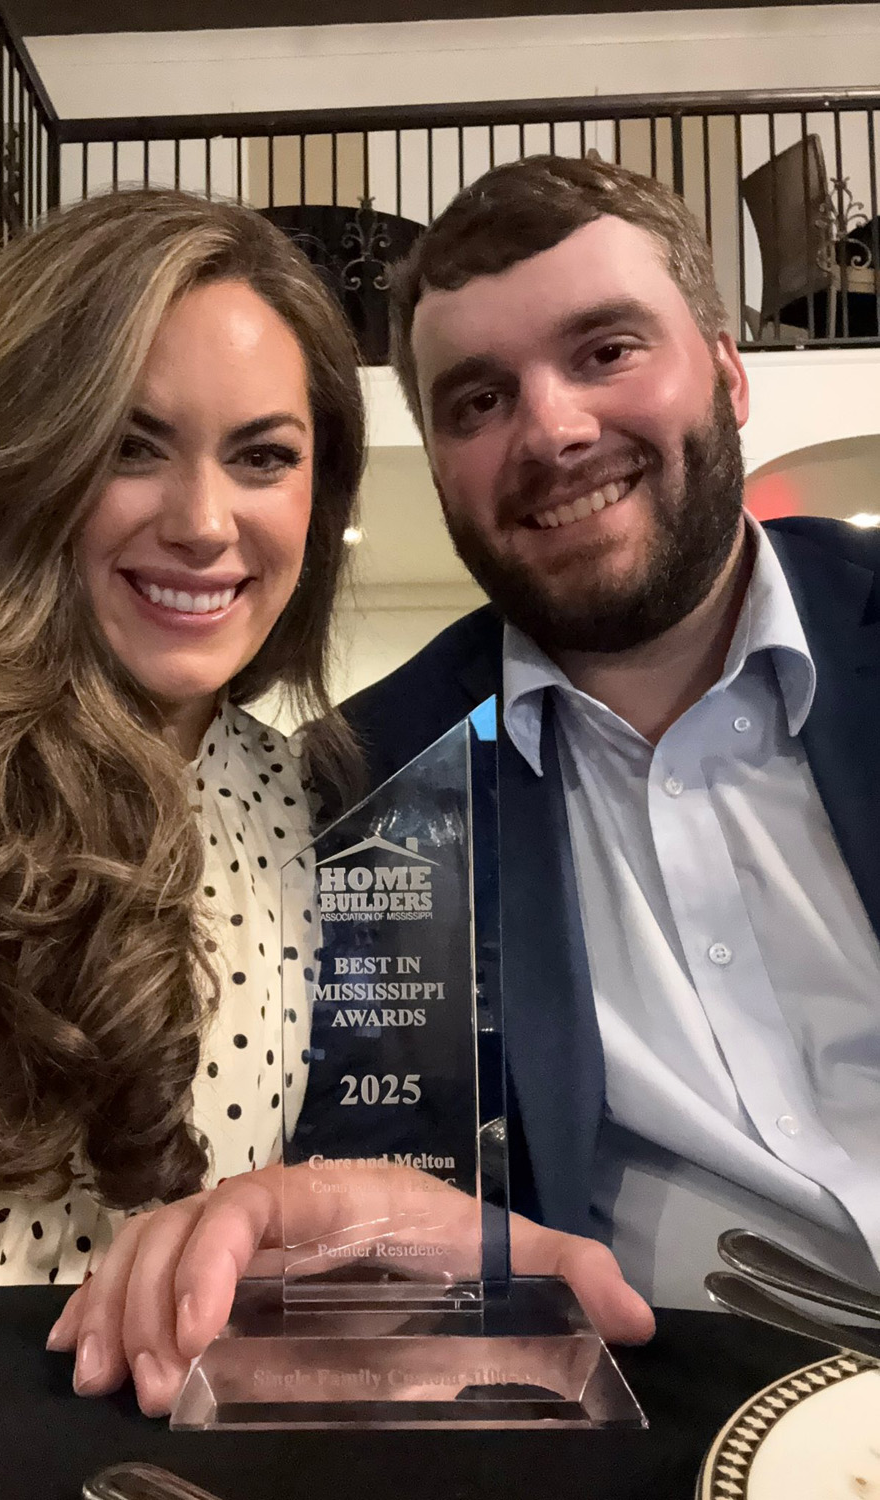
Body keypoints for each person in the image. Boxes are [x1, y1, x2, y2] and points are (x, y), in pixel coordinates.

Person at [0, 185, 652, 1415]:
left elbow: (259, 1218)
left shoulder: (293, 794)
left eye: (263, 457)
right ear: (30, 450)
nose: (202, 522)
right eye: (131, 445)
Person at [340, 154, 880, 1311]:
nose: (553, 430)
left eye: (606, 351)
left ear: (728, 372)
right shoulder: (372, 780)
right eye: (478, 402)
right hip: (672, 1389)